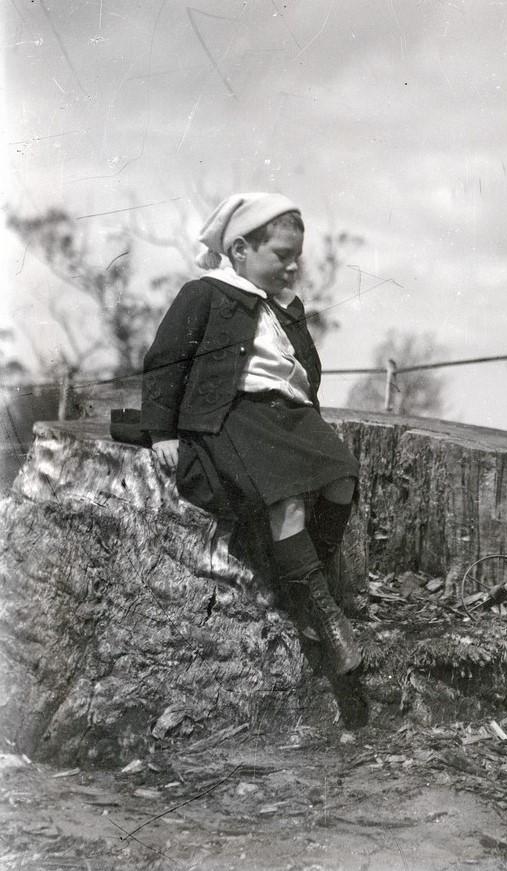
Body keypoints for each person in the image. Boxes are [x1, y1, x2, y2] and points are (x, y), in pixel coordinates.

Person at [140, 192, 365, 698]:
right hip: (233, 416)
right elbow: (166, 360)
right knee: (286, 500)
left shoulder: (287, 307)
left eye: (295, 258)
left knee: (343, 478)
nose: (290, 269)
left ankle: (308, 579)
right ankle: (323, 617)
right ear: (240, 250)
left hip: (290, 416)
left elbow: (304, 370)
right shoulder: (205, 295)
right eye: (280, 256)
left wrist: (313, 427)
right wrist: (162, 431)